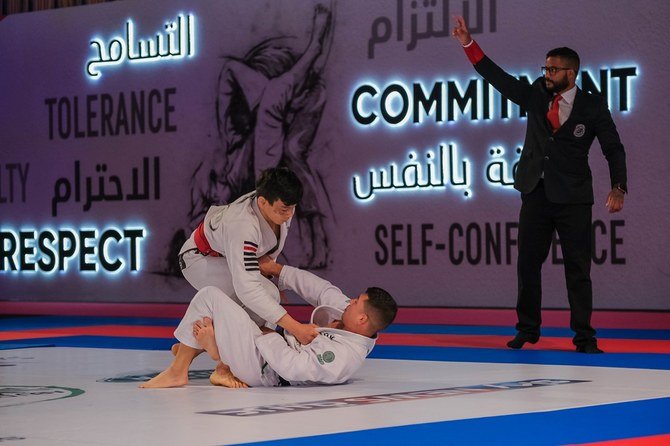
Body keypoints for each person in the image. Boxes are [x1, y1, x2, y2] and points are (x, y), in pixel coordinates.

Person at [452, 16, 627, 353]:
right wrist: (468, 45)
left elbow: (613, 147)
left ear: (570, 74)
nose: (546, 74)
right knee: (527, 265)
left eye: (553, 70)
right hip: (535, 192)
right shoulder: (535, 93)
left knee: (578, 269)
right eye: (545, 68)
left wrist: (619, 186)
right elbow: (499, 79)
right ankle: (527, 330)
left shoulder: (591, 105)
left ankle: (584, 337)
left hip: (574, 198)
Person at [140, 257, 398, 388]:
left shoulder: (343, 356)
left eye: (356, 301)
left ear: (363, 318)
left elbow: (292, 367)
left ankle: (182, 369)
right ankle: (214, 355)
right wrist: (277, 270)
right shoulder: (349, 319)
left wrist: (269, 332)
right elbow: (321, 289)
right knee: (263, 297)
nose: (350, 300)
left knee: (209, 296)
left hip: (264, 372)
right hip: (267, 348)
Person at [178, 166, 319, 346]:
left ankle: (206, 348)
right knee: (263, 296)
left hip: (224, 258)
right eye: (284, 209)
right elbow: (248, 289)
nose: (290, 214)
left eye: (293, 208)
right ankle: (220, 361)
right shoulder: (242, 225)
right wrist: (296, 328)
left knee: (269, 297)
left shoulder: (277, 205)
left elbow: (264, 253)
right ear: (262, 202)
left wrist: (268, 277)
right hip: (200, 260)